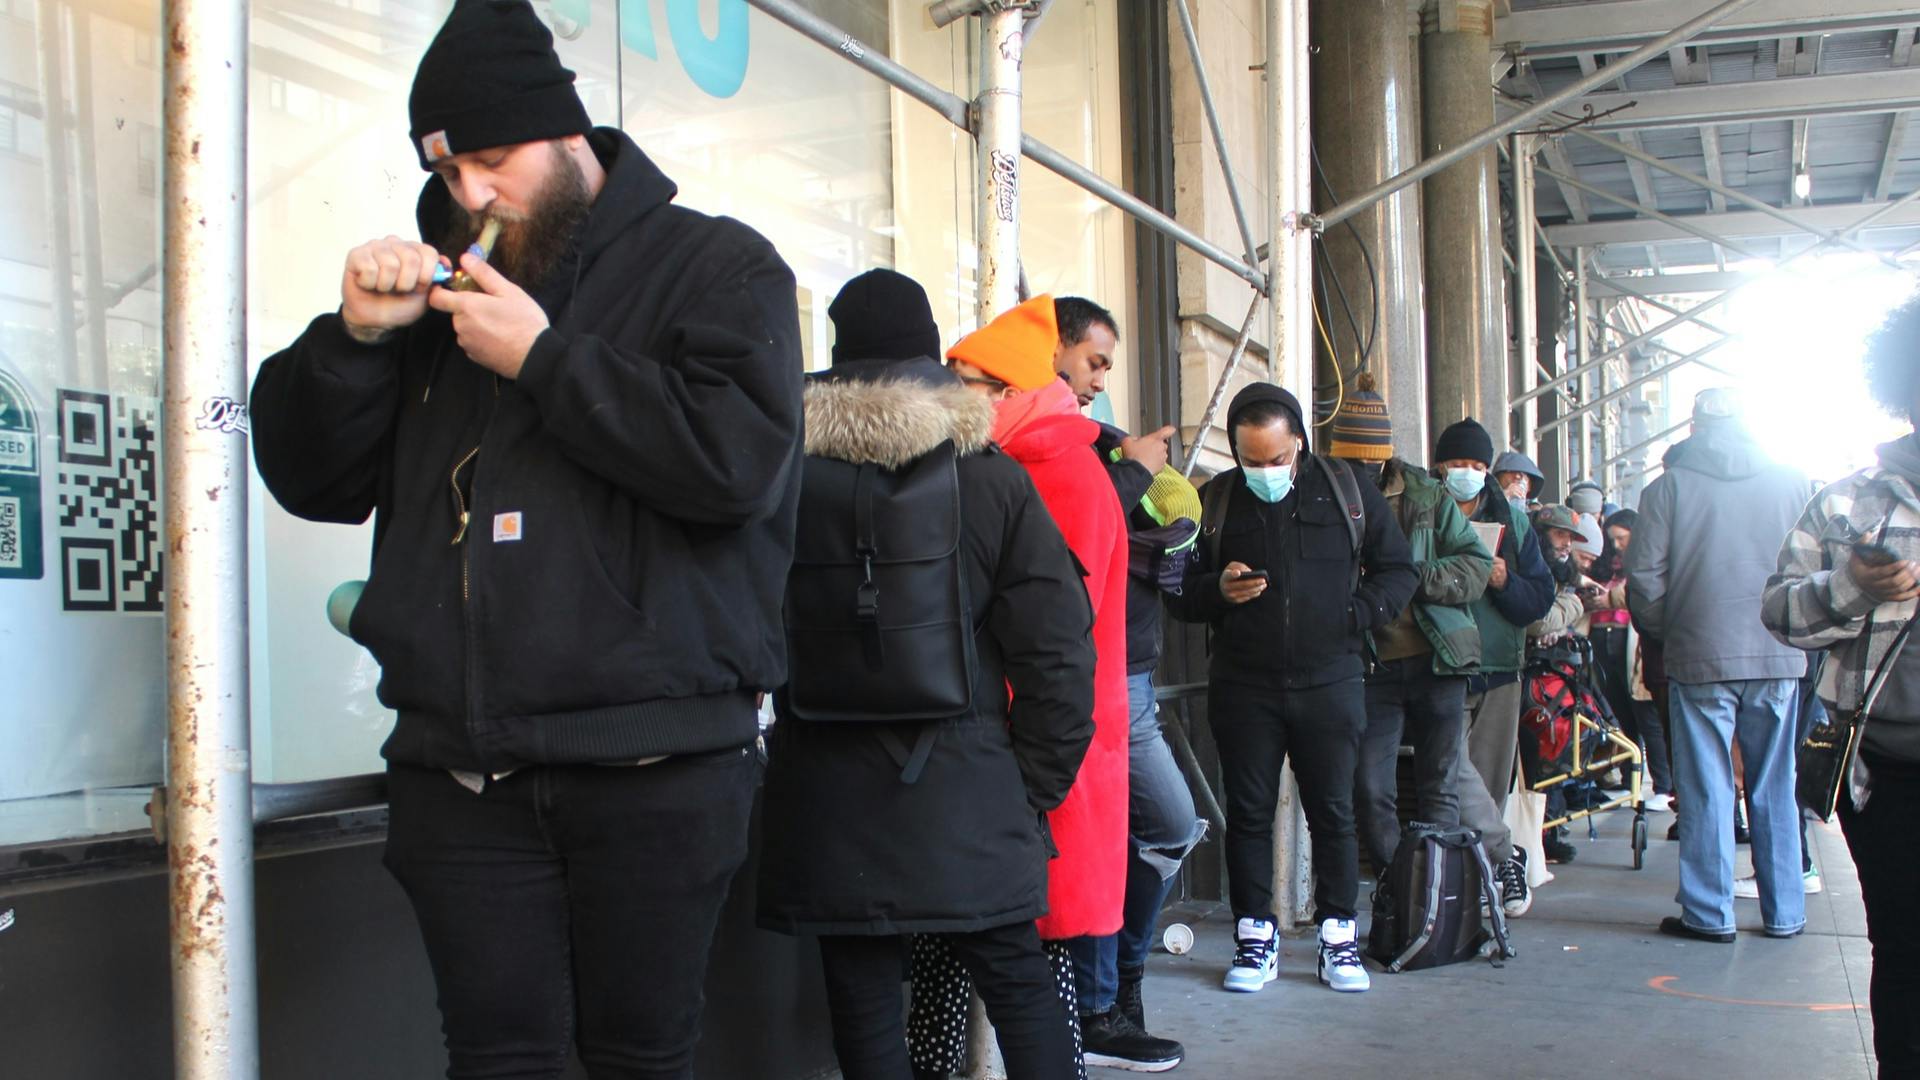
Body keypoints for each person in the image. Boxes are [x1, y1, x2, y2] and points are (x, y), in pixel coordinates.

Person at [249, 5, 804, 1075]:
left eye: (492, 164)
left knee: (640, 1054)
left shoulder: (720, 266)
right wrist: (357, 342)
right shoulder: (441, 290)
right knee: (498, 1060)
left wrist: (547, 362)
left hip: (658, 765)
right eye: (451, 175)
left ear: (566, 135)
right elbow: (314, 482)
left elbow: (736, 466)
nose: (472, 197)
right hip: (463, 774)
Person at [757, 270, 1095, 1080]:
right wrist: (1034, 785)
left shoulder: (776, 481)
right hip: (969, 777)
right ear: (928, 359)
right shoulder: (991, 479)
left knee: (862, 994)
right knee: (1017, 980)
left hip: (826, 784)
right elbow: (1057, 649)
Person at [909, 295, 1129, 1080]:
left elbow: (1051, 643)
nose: (947, 394)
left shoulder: (1050, 472)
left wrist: (1021, 774)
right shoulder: (1027, 465)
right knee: (994, 958)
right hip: (1010, 758)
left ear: (1008, 392)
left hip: (1021, 759)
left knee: (1025, 967)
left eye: (966, 381)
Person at [1169, 382, 1418, 995]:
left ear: (1300, 443)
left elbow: (1398, 570)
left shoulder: (1348, 490)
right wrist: (1214, 593)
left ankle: (1339, 935)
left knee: (1334, 811)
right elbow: (1176, 588)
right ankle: (1255, 935)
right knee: (1248, 815)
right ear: (1235, 451)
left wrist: (1355, 615)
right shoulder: (1215, 501)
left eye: (1277, 459)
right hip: (1243, 686)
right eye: (1252, 460)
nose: (1266, 471)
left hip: (1330, 682)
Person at [1762, 292, 1920, 1078]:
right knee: (1905, 952)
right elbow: (1781, 613)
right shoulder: (1852, 502)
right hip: (1886, 774)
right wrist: (1853, 584)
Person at [1055, 296, 1200, 1073]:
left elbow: (1153, 558)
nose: (1102, 379)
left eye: (1108, 364)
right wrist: (1137, 468)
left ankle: (1118, 993)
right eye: (1095, 361)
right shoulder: (1055, 451)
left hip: (1132, 678)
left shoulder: (1106, 448)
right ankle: (1099, 1010)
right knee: (1098, 849)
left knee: (1164, 829)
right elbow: (1068, 545)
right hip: (1084, 683)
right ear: (1053, 352)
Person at [1626, 388, 1812, 944]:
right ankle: (1785, 913)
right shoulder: (1793, 483)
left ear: (1693, 426)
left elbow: (1644, 582)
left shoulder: (1667, 488)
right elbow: (1815, 570)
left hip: (1700, 652)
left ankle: (1710, 915)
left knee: (1706, 784)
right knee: (1776, 784)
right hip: (1779, 650)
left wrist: (1671, 628)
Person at [1327, 377, 1494, 905]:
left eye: (1368, 465)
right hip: (1372, 668)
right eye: (1351, 464)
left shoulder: (1426, 495)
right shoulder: (1327, 493)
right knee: (1370, 789)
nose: (1361, 475)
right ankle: (1400, 891)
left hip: (1436, 660)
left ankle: (1439, 901)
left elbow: (1476, 565)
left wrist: (1407, 575)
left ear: (1383, 458)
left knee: (1438, 787)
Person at [1431, 421, 1559, 894]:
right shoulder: (1423, 510)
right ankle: (1506, 855)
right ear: (1440, 465)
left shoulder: (1515, 521)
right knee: (1451, 769)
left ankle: (1478, 884)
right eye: (1459, 463)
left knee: (1486, 783)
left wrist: (1505, 582)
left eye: (1478, 465)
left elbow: (1540, 598)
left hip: (1499, 666)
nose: (1468, 472)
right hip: (1440, 661)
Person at [1588, 508, 1675, 804]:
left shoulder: (1649, 559)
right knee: (1618, 714)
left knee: (1646, 717)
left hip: (1632, 642)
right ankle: (1630, 779)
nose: (1617, 546)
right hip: (1601, 639)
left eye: (1622, 538)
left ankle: (1663, 787)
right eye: (1611, 540)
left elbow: (1641, 591)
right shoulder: (1605, 565)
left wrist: (1609, 598)